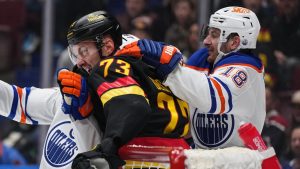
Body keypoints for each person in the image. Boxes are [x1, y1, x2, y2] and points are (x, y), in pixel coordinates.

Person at [117, 6, 266, 149]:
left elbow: (210, 95)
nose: (206, 41)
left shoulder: (248, 69)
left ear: (234, 42)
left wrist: (168, 66)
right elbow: (181, 90)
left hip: (240, 163)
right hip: (203, 159)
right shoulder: (204, 59)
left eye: (214, 35)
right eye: (207, 33)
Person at [59, 11, 190, 169]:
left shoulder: (108, 66)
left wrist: (105, 150)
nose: (79, 62)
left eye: (84, 51)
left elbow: (134, 107)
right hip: (183, 155)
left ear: (108, 46)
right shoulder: (153, 72)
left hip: (143, 157)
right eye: (75, 54)